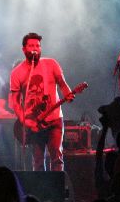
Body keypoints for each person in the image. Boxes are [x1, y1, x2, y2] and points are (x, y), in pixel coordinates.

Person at [9, 32, 74, 172]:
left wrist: (67, 93)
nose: (35, 49)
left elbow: (62, 84)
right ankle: (40, 186)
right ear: (24, 49)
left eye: (37, 46)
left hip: (54, 119)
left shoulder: (51, 64)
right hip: (34, 123)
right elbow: (15, 102)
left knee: (57, 157)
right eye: (31, 46)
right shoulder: (17, 73)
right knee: (38, 160)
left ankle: (57, 185)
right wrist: (25, 121)